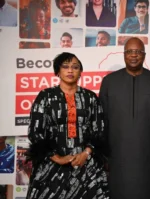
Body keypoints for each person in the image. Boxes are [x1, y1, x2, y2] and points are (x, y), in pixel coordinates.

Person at [26, 52, 109, 199]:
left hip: (85, 164)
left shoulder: (90, 97)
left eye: (75, 67)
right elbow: (35, 131)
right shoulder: (45, 96)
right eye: (65, 66)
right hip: (51, 164)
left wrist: (86, 153)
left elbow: (100, 130)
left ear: (80, 72)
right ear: (58, 71)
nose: (70, 70)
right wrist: (56, 157)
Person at [99, 37, 150, 199]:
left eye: (138, 52)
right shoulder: (109, 82)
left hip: (148, 155)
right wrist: (102, 155)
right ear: (124, 55)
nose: (133, 55)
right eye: (129, 51)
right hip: (116, 155)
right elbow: (101, 121)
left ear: (144, 55)